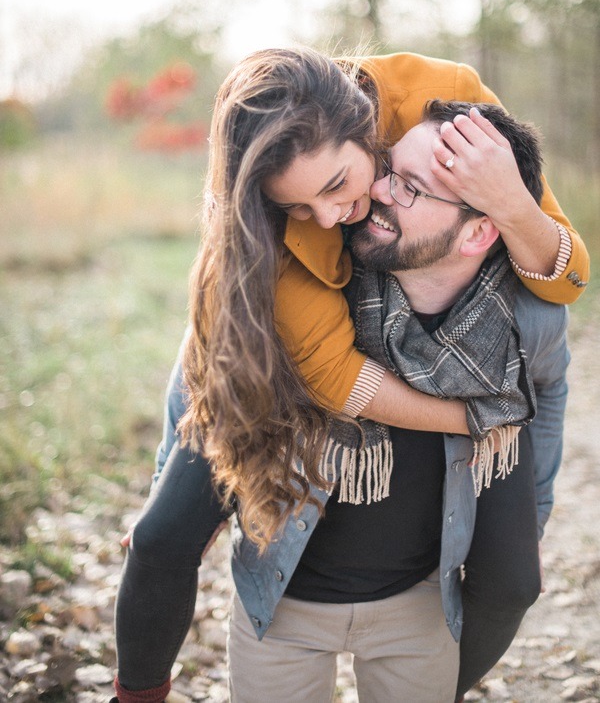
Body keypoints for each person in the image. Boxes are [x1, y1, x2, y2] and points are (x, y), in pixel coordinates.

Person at [113, 48, 585, 702]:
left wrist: (512, 205)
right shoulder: (277, 238)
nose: (337, 213)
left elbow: (568, 285)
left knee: (511, 577)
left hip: (418, 594)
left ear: (370, 132)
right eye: (304, 204)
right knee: (163, 536)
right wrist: (471, 417)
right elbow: (275, 361)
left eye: (340, 185)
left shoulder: (444, 102)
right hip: (257, 346)